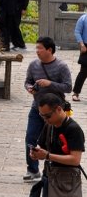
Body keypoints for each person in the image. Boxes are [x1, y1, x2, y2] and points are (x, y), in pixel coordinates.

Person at [24, 36, 72, 182]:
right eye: (36, 48)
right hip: (36, 108)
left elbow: (68, 87)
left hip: (55, 112)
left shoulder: (61, 66)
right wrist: (30, 88)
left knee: (54, 141)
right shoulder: (33, 65)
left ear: (49, 50)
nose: (37, 51)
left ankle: (55, 168)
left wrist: (49, 83)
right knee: (30, 137)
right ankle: (33, 169)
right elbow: (27, 82)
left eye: (40, 48)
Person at [72, 12, 87, 101]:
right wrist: (82, 45)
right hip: (85, 46)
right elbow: (77, 32)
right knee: (84, 71)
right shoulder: (83, 18)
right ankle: (76, 92)